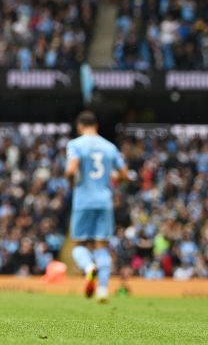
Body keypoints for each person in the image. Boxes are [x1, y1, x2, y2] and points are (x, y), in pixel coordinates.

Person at [65, 110, 130, 303]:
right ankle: (102, 289)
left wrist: (72, 183)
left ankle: (88, 267)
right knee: (102, 245)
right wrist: (112, 177)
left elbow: (71, 170)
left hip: (83, 200)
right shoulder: (109, 147)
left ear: (79, 126)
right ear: (97, 126)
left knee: (79, 244)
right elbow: (125, 175)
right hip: (104, 201)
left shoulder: (75, 144)